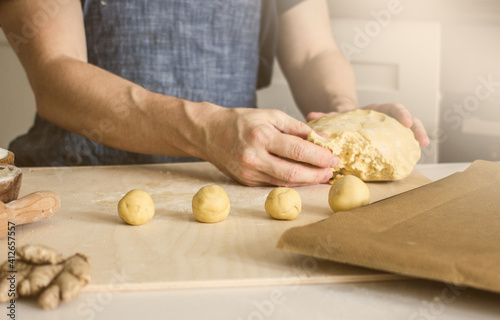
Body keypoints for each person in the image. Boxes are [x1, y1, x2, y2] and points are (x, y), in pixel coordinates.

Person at [0, 0, 428, 187]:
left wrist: (348, 119)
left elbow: (313, 51)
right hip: (76, 183)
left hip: (233, 187)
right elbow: (55, 73)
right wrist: (206, 129)